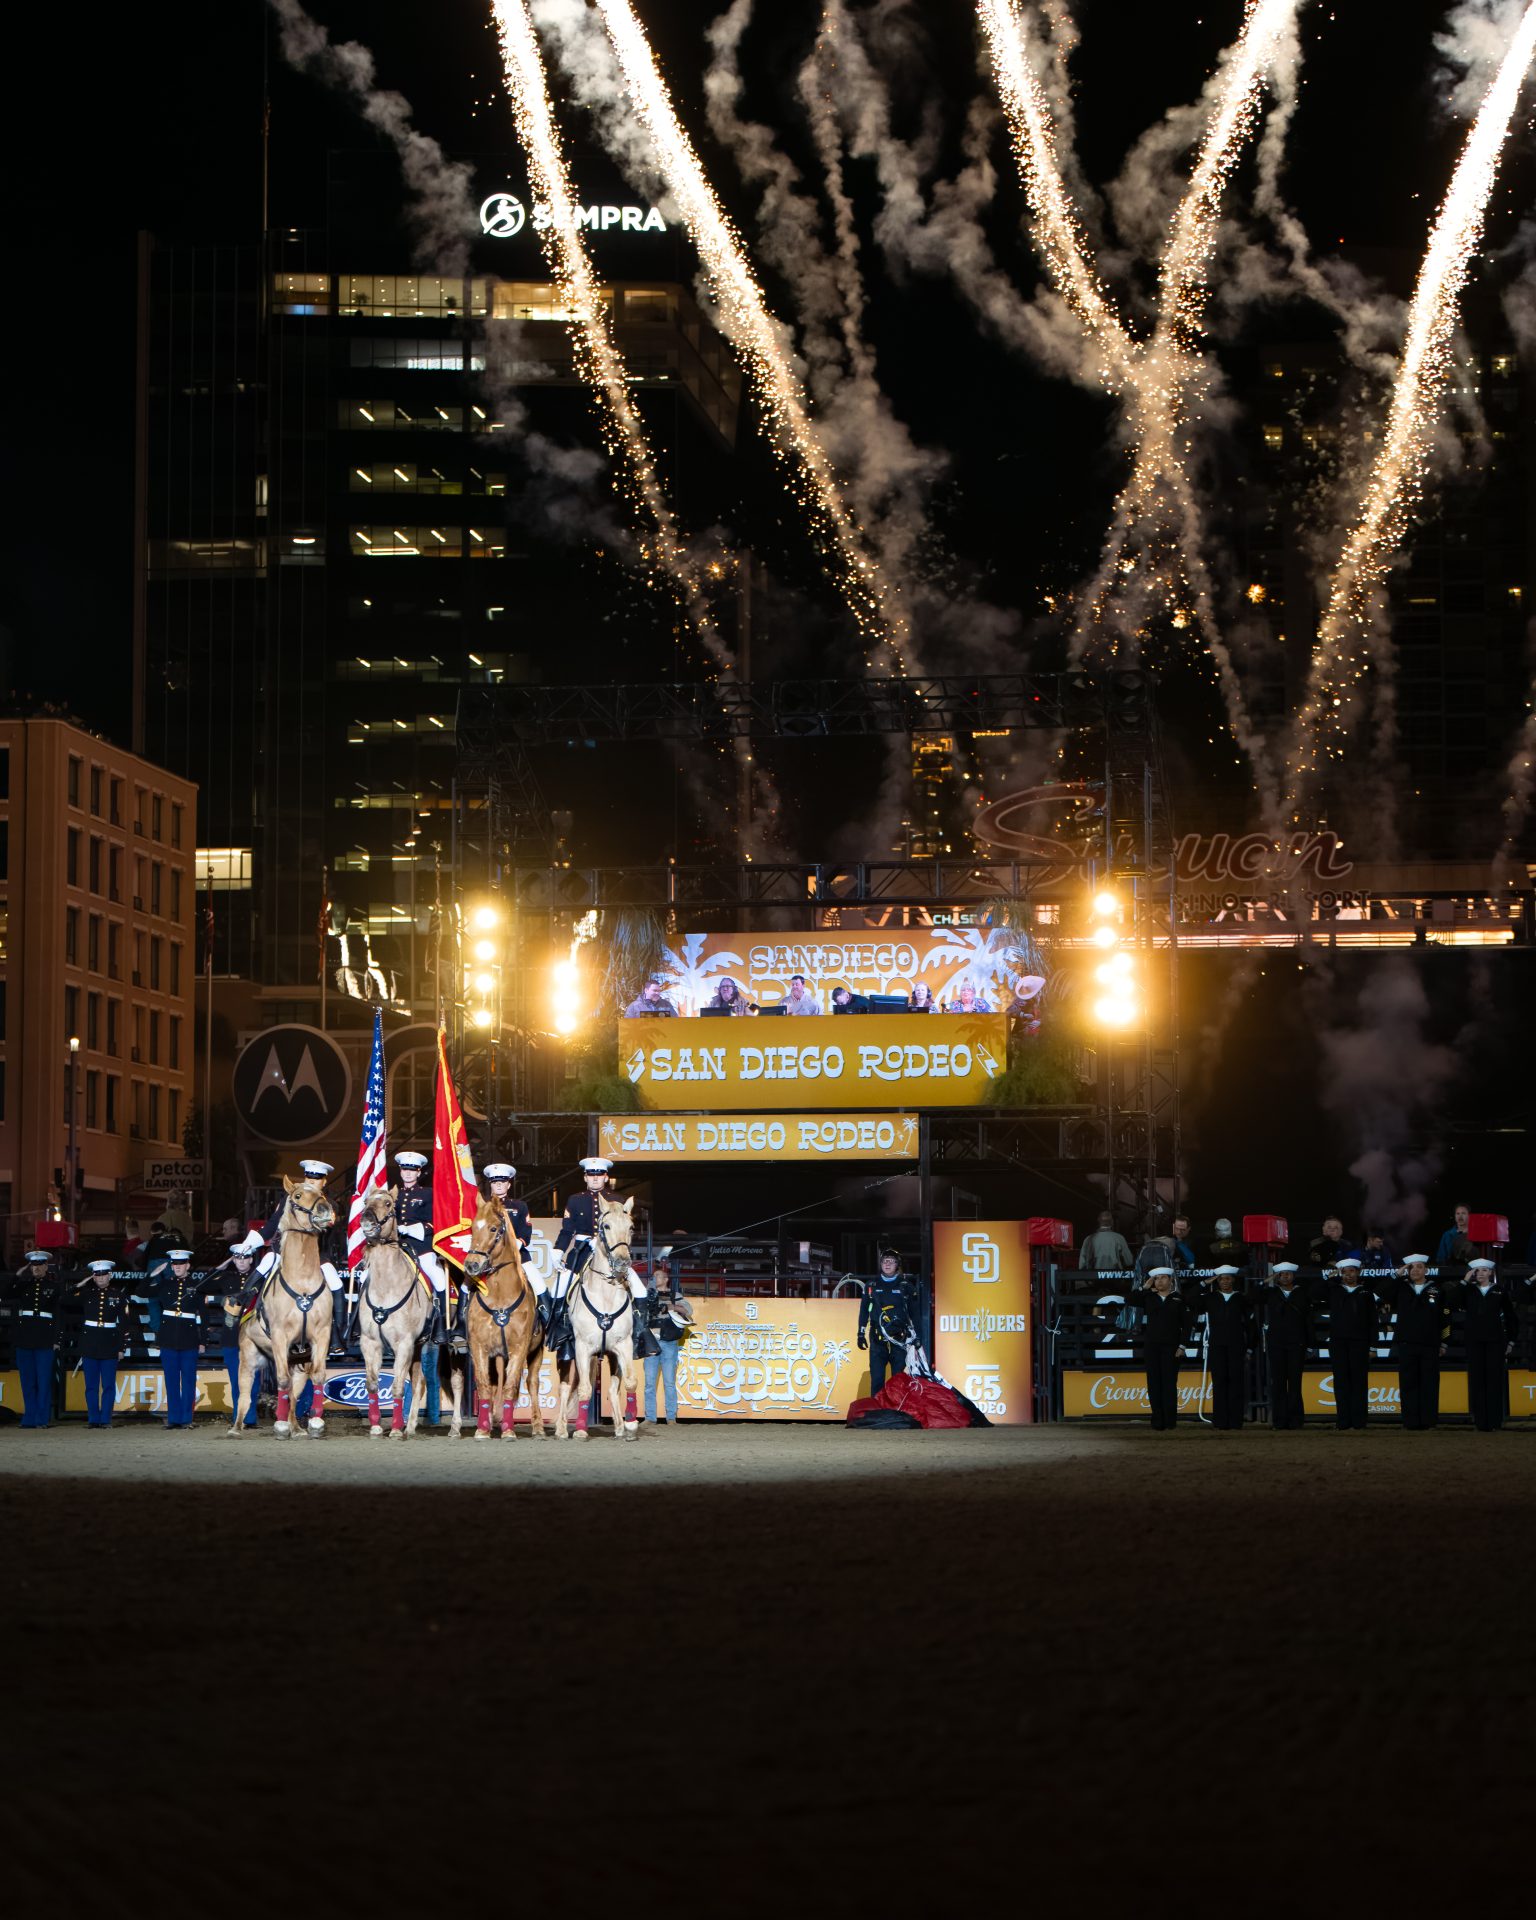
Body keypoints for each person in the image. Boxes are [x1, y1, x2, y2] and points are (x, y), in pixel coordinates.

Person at [548, 1157, 649, 1357]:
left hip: (611, 1255)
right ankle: (560, 1331)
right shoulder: (575, 1200)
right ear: (585, 1177)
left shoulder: (618, 1200)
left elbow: (623, 1231)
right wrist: (558, 1250)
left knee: (640, 1289)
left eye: (599, 1175)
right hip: (582, 1252)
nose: (595, 1179)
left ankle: (640, 1334)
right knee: (557, 1289)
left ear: (606, 1177)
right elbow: (568, 1230)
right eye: (591, 1175)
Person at [392, 1149, 458, 1352]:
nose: (408, 1173)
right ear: (401, 1171)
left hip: (420, 1246)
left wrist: (412, 1229)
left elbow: (436, 1222)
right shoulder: (393, 1194)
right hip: (395, 1246)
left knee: (438, 1277)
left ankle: (441, 1325)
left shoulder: (428, 1194)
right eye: (405, 1169)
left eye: (413, 1170)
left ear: (419, 1172)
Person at [1379, 1254, 1447, 1430]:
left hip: (1430, 1344)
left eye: (1419, 1267)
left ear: (1426, 1270)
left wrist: (1444, 1342)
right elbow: (1382, 1292)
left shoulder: (1437, 1289)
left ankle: (1429, 1421)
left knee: (1429, 1384)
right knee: (1408, 1383)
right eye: (1411, 1267)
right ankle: (1410, 1421)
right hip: (1406, 1343)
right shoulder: (1400, 1287)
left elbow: (1444, 1319)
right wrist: (1396, 1274)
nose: (1415, 1270)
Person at [6, 1249, 63, 1429]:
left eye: (39, 1265)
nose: (36, 1268)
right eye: (33, 1265)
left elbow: (58, 1315)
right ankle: (29, 1417)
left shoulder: (54, 1287)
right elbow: (6, 1294)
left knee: (43, 1380)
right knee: (27, 1380)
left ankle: (42, 1418)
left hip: (44, 1338)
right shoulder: (24, 1285)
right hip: (25, 1337)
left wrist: (57, 1339)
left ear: (46, 1266)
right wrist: (17, 1275)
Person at [1458, 1258, 1516, 1431]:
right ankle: (1480, 1421)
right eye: (1477, 1270)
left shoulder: (1499, 1290)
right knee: (1477, 1381)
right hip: (1474, 1341)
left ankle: (1495, 1421)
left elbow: (1511, 1317)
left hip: (1495, 1341)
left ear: (1491, 1273)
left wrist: (1511, 1340)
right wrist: (1464, 1281)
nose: (1480, 1273)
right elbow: (1451, 1302)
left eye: (1484, 1270)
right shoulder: (1467, 1290)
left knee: (1494, 1380)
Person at [149, 1249, 205, 1430]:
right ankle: (174, 1419)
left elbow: (205, 1316)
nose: (177, 1267)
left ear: (187, 1265)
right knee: (171, 1380)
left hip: (189, 1339)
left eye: (181, 1264)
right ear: (171, 1266)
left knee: (188, 1381)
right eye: (174, 1264)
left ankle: (186, 1419)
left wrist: (203, 1340)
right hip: (168, 1338)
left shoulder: (196, 1285)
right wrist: (152, 1275)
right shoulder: (165, 1284)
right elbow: (142, 1292)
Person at [216, 1232, 265, 1429]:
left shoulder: (260, 1279)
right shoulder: (226, 1278)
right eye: (237, 1258)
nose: (241, 1262)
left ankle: (250, 1419)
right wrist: (220, 1267)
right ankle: (239, 1417)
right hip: (231, 1336)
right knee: (236, 1382)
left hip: (255, 1337)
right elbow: (203, 1285)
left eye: (245, 1258)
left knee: (253, 1382)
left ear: (251, 1259)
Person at [1197, 1266, 1255, 1431]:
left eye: (1227, 1278)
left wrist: (1250, 1347)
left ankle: (1236, 1421)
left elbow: (1251, 1325)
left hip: (1237, 1346)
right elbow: (1190, 1298)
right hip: (1216, 1346)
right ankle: (1220, 1421)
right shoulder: (1211, 1298)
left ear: (1233, 1280)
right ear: (1217, 1281)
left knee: (1236, 1383)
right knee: (1219, 1383)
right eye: (1221, 1279)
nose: (1224, 1282)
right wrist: (1204, 1282)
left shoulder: (1241, 1298)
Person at [77, 1259, 131, 1429]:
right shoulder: (86, 1294)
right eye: (97, 1275)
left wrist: (122, 1347)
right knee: (91, 1386)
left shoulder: (119, 1295)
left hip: (110, 1343)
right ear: (93, 1277)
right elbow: (64, 1300)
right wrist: (79, 1285)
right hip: (90, 1343)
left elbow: (124, 1323)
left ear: (110, 1275)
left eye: (104, 1275)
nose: (101, 1278)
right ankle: (93, 1419)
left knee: (108, 1385)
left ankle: (106, 1419)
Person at [1322, 1257, 1375, 1431]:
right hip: (1338, 1342)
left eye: (1352, 1271)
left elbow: (1373, 1321)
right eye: (1345, 1272)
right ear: (1341, 1274)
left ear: (1358, 1272)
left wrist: (1373, 1346)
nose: (1349, 1275)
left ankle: (1359, 1421)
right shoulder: (1333, 1290)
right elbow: (1314, 1292)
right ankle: (1343, 1420)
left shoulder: (1366, 1293)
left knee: (1359, 1382)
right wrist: (1330, 1277)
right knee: (1341, 1382)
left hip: (1360, 1343)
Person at [1256, 1262, 1310, 1430]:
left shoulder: (1302, 1293)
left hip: (1297, 1343)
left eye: (1288, 1274)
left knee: (1295, 1383)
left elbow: (1308, 1319)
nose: (1285, 1276)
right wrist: (1264, 1281)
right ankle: (1279, 1421)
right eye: (1281, 1274)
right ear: (1277, 1277)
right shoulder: (1271, 1293)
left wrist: (1309, 1344)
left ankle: (1296, 1421)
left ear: (1293, 1276)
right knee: (1278, 1383)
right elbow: (1251, 1296)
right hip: (1276, 1344)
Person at [857, 1248, 920, 1391]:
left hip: (899, 1339)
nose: (887, 1264)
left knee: (898, 1381)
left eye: (891, 1261)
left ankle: (895, 1412)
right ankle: (878, 1412)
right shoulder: (871, 1285)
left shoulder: (906, 1287)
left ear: (897, 1265)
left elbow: (915, 1314)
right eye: (885, 1261)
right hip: (877, 1339)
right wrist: (860, 1334)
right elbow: (864, 1311)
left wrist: (918, 1337)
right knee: (877, 1379)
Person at [1136, 1267, 1187, 1430]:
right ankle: (1157, 1421)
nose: (1159, 1281)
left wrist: (1182, 1345)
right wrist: (1145, 1286)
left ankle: (1170, 1421)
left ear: (1171, 1280)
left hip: (1172, 1347)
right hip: (1152, 1346)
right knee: (1154, 1383)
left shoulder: (1178, 1299)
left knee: (1170, 1384)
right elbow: (1130, 1300)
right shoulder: (1148, 1297)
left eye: (1163, 1278)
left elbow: (1187, 1325)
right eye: (1156, 1279)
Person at [642, 1265, 692, 1424]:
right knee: (650, 1383)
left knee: (668, 1382)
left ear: (665, 1279)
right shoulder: (647, 1295)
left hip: (668, 1341)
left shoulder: (674, 1295)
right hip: (653, 1340)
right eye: (654, 1276)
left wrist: (671, 1306)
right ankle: (651, 1417)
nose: (654, 1279)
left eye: (657, 1276)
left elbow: (688, 1311)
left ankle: (671, 1417)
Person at [1434, 1204, 1474, 1269]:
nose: (1460, 1216)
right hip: (1451, 1272)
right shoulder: (1447, 1235)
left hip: (1472, 1272)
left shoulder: (1475, 1234)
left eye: (1463, 1213)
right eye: (1457, 1213)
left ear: (1469, 1216)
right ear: (1455, 1216)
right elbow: (1441, 1258)